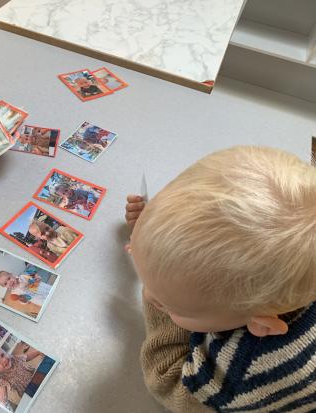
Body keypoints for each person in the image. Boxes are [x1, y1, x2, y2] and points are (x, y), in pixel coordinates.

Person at [125, 146, 316, 412]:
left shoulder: (241, 372)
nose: (157, 300)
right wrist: (150, 238)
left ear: (261, 325)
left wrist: (156, 302)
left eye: (171, 306)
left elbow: (167, 383)